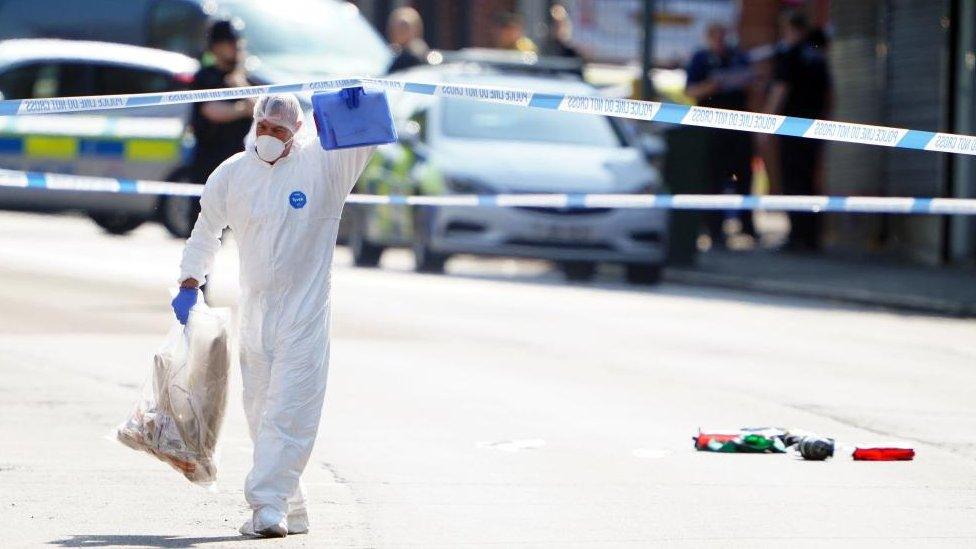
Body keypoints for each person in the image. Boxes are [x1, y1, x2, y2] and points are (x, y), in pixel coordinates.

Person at [171, 94, 376, 538]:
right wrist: (190, 281)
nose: (268, 137)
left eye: (279, 131)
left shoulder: (323, 168)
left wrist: (351, 105)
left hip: (305, 312)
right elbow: (206, 230)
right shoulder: (232, 174)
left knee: (290, 411)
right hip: (256, 311)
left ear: (298, 132)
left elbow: (366, 138)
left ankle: (266, 505)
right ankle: (292, 505)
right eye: (263, 127)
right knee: (260, 410)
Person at [685, 23, 756, 249]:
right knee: (713, 180)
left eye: (723, 35)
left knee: (743, 178)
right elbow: (690, 90)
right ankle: (714, 230)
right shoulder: (700, 58)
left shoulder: (737, 57)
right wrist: (712, 85)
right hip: (711, 131)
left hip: (738, 129)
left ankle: (747, 227)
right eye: (715, 36)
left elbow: (752, 83)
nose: (720, 40)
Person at [766, 11, 831, 251]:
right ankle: (812, 237)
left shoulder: (790, 55)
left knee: (794, 181)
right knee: (810, 181)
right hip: (816, 127)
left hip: (792, 128)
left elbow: (780, 89)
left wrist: (764, 124)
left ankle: (797, 236)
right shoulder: (816, 54)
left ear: (793, 30)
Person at [189, 19, 255, 185]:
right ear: (216, 47)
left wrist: (241, 85)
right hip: (209, 160)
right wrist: (242, 110)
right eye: (230, 42)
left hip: (241, 161)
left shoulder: (247, 78)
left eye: (238, 41)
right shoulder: (205, 77)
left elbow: (260, 108)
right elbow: (211, 110)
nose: (236, 46)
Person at [386, 6, 429, 74]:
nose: (399, 31)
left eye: (404, 27)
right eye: (396, 27)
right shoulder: (392, 53)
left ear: (416, 29)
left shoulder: (414, 56)